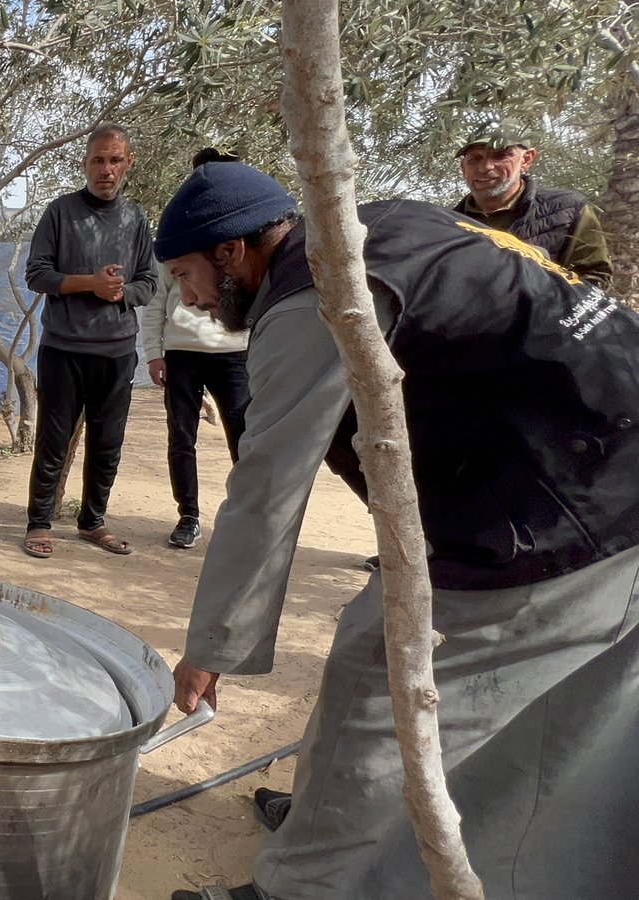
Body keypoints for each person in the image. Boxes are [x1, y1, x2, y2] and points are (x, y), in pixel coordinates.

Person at [153, 163, 639, 900]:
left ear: (232, 251)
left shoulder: (316, 294)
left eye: (184, 275)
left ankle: (301, 887)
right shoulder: (384, 224)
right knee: (557, 703)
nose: (187, 298)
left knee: (379, 685)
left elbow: (267, 487)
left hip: (569, 504)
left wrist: (212, 647)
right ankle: (341, 825)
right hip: (596, 463)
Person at [21, 123, 158, 559]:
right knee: (53, 442)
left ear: (128, 163)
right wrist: (89, 283)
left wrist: (121, 293)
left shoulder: (135, 218)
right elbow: (36, 274)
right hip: (63, 350)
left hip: (117, 353)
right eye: (98, 160)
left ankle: (92, 522)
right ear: (85, 164)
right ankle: (39, 523)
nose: (106, 169)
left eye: (115, 160)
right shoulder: (60, 212)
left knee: (107, 444)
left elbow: (149, 282)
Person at [142, 148, 251, 549]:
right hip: (182, 353)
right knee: (181, 437)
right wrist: (154, 353)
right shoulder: (178, 234)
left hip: (235, 351)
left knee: (244, 437)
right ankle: (188, 516)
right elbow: (156, 301)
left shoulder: (249, 233)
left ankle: (246, 515)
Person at [454, 119, 612, 285]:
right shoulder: (448, 224)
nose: (485, 167)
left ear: (526, 160)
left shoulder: (568, 209)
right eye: (475, 159)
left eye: (500, 156)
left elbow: (595, 278)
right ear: (463, 167)